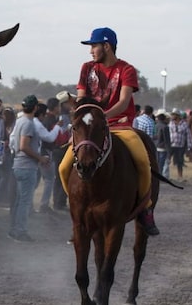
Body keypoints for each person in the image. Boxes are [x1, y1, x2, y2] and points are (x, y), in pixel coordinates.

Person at [58, 27, 159, 235]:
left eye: (93, 46)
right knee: (63, 167)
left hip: (119, 125)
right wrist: (79, 112)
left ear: (106, 46)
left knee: (142, 161)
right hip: (90, 128)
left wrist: (103, 116)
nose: (91, 51)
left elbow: (123, 102)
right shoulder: (87, 68)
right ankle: (77, 212)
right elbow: (82, 99)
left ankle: (145, 208)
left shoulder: (127, 69)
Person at [8, 95, 50, 242]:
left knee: (19, 200)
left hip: (18, 165)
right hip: (26, 166)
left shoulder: (20, 121)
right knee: (25, 202)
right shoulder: (28, 124)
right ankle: (20, 232)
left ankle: (14, 230)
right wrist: (40, 158)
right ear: (36, 108)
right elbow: (24, 146)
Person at [168, 110, 191, 179]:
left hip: (180, 146)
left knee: (180, 162)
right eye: (172, 115)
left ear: (177, 116)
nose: (172, 116)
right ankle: (164, 174)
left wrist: (189, 147)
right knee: (167, 160)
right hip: (171, 145)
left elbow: (188, 136)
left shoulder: (184, 124)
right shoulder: (170, 123)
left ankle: (180, 176)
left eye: (174, 115)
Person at [153, 111, 172, 177]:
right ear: (164, 119)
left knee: (156, 164)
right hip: (162, 148)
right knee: (161, 165)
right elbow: (167, 140)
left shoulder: (155, 126)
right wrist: (169, 152)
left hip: (155, 147)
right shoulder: (165, 127)